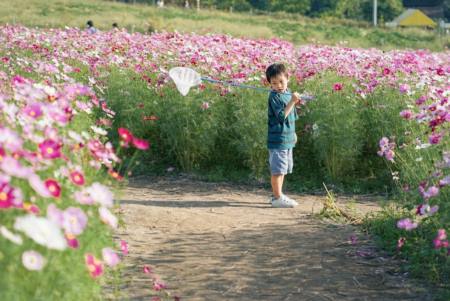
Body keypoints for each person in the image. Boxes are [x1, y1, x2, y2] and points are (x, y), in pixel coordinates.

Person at [266, 63, 303, 208]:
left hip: (287, 139)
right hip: (278, 140)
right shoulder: (274, 97)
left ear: (288, 78)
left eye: (281, 81)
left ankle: (278, 195)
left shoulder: (288, 93)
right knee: (277, 170)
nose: (278, 85)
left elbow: (291, 117)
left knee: (283, 169)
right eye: (274, 83)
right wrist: (293, 101)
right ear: (270, 84)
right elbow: (282, 116)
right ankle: (277, 197)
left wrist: (293, 133)